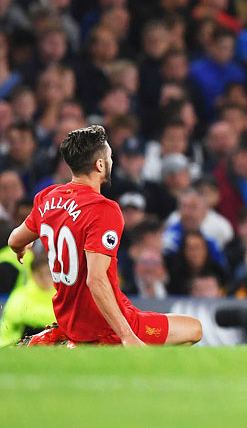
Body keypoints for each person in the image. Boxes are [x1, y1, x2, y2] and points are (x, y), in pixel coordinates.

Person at [8, 125, 202, 346]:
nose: (111, 161)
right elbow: (96, 279)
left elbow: (15, 240)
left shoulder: (47, 198)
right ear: (100, 164)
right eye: (109, 156)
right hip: (104, 326)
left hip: (69, 320)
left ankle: (72, 343)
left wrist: (21, 249)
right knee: (193, 329)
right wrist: (127, 335)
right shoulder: (102, 209)